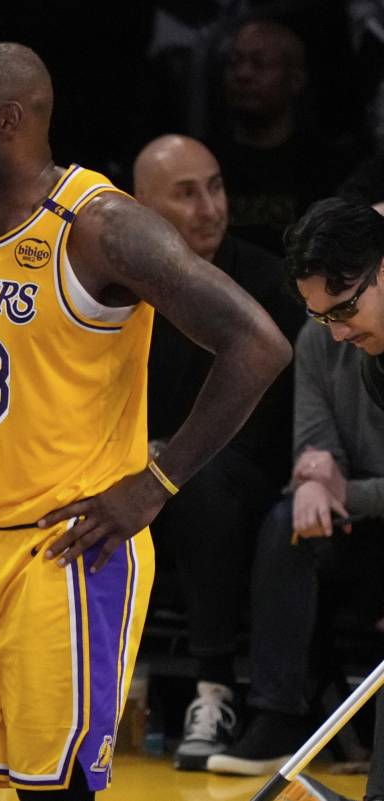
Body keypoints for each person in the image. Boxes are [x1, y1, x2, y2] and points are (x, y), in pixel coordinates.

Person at [0, 43, 291, 801]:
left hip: (62, 555)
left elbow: (257, 344)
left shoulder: (102, 226)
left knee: (52, 792)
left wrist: (156, 483)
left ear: (10, 121)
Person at [131, 133, 307, 770]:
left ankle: (214, 689)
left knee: (196, 483)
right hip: (134, 466)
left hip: (242, 474)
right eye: (186, 194)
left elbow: (272, 421)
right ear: (139, 209)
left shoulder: (268, 281)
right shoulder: (111, 285)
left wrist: (169, 456)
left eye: (215, 188)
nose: (210, 209)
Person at [202, 199, 384, 801]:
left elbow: (334, 476)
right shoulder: (327, 341)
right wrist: (311, 483)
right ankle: (278, 716)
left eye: (345, 309)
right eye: (319, 314)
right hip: (361, 530)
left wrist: (343, 489)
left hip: (363, 509)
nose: (336, 332)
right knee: (290, 524)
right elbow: (314, 447)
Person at [207, 18, 350, 254]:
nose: (242, 74)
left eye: (259, 64)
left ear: (295, 79)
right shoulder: (205, 159)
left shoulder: (326, 168)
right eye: (234, 62)